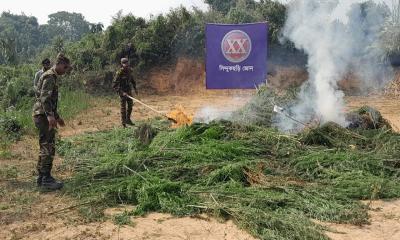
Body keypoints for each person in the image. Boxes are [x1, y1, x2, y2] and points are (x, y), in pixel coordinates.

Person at [32, 53, 71, 190]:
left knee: (45, 145)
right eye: (65, 67)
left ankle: (42, 177)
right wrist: (50, 116)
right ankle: (46, 179)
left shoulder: (52, 75)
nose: (65, 70)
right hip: (42, 116)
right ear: (59, 64)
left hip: (42, 114)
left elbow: (50, 101)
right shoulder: (50, 76)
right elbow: (44, 98)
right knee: (48, 146)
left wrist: (57, 116)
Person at [112, 58, 138, 127]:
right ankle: (123, 123)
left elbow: (132, 80)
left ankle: (128, 120)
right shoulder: (119, 73)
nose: (126, 65)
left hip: (129, 91)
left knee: (130, 106)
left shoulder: (129, 70)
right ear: (122, 64)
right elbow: (114, 85)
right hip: (122, 92)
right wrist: (122, 93)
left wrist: (135, 88)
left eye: (127, 63)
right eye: (124, 63)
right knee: (123, 108)